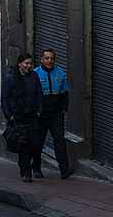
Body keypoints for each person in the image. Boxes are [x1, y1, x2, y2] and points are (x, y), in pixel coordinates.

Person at [1, 52, 44, 182]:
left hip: (32, 115)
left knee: (35, 144)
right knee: (23, 145)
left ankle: (25, 164)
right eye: (26, 63)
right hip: (17, 116)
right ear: (19, 64)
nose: (29, 66)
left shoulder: (34, 76)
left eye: (30, 64)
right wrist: (9, 116)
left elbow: (39, 94)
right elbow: (4, 98)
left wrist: (39, 111)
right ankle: (26, 172)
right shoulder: (10, 78)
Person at [32, 49, 74, 179]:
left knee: (59, 141)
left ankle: (64, 168)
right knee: (38, 142)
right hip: (41, 115)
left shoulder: (59, 72)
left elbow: (64, 92)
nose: (49, 61)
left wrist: (64, 109)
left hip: (56, 114)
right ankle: (36, 168)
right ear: (42, 59)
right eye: (47, 58)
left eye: (52, 58)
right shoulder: (35, 74)